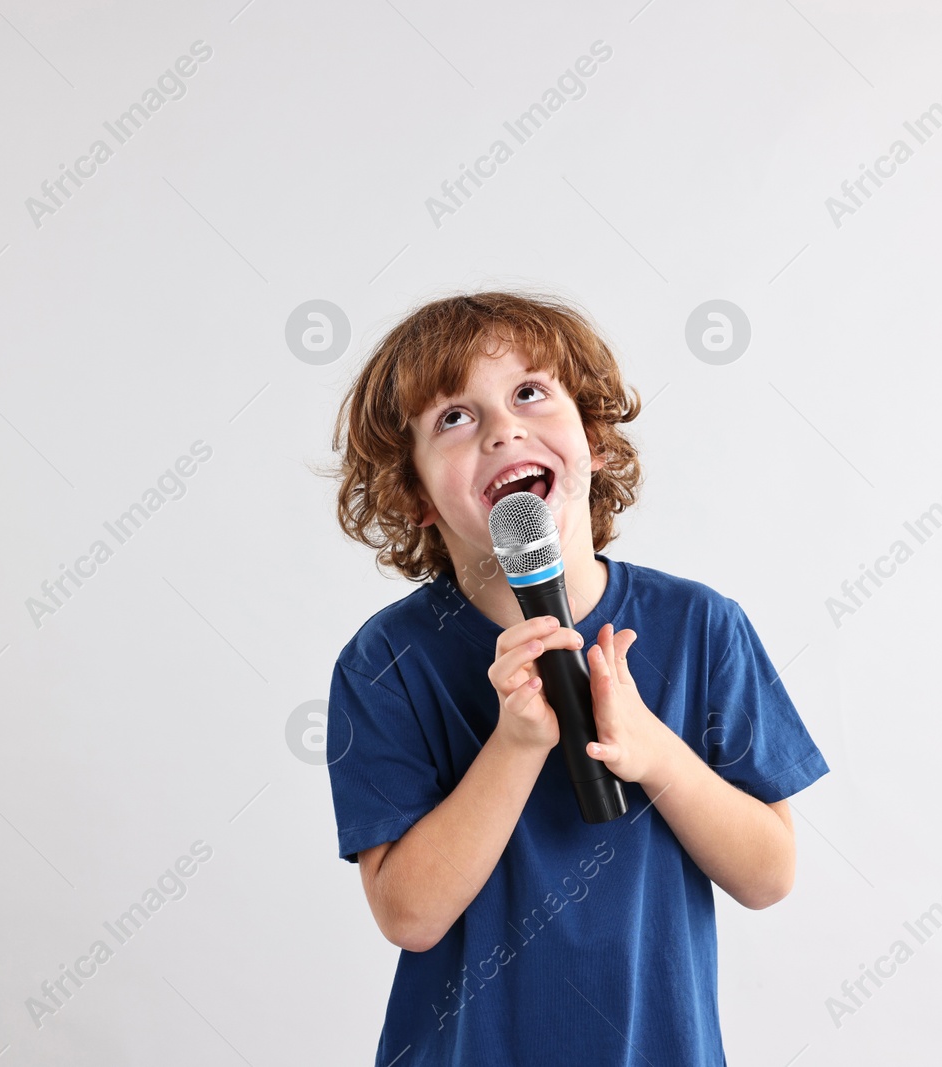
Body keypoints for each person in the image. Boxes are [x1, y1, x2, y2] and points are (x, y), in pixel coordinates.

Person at [323, 290, 830, 1066]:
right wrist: (517, 743)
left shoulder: (702, 627)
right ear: (417, 494)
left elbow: (769, 873)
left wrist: (657, 753)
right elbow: (409, 915)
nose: (503, 428)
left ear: (590, 434)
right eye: (453, 417)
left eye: (529, 392)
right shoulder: (386, 662)